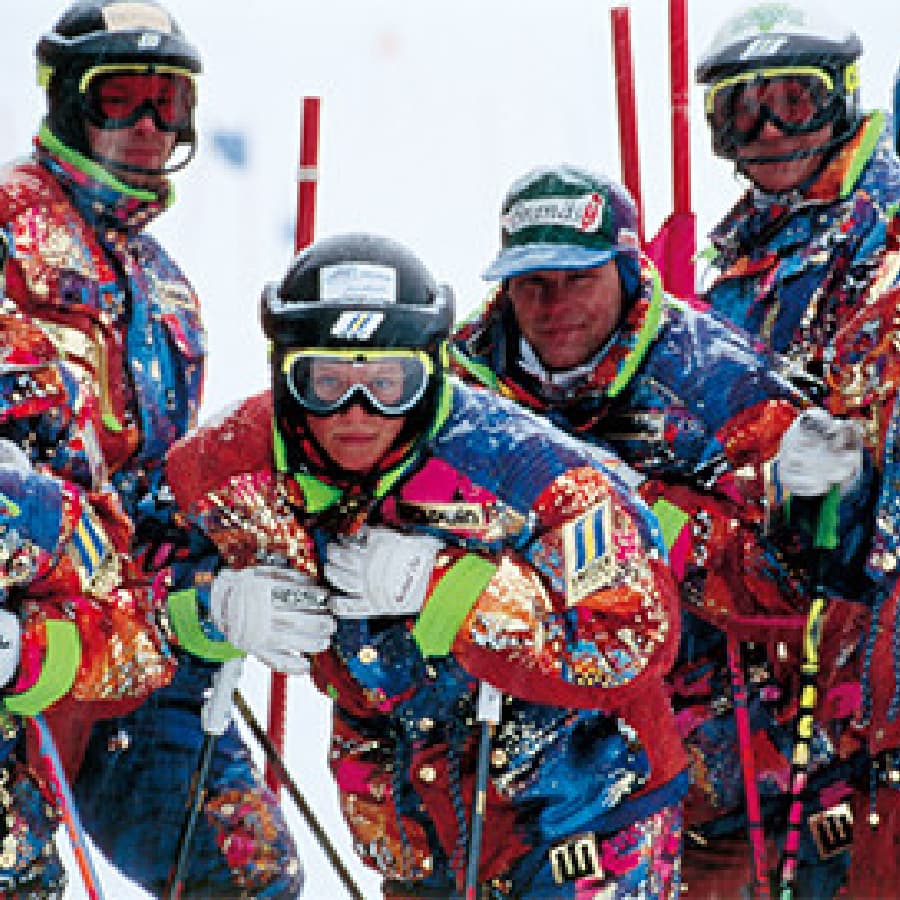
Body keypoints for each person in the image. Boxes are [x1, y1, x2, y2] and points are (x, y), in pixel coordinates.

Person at [163, 231, 689, 898]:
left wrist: (453, 591)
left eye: (389, 384)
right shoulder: (227, 465)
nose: (357, 412)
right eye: (326, 382)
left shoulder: (528, 471)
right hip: (409, 821)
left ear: (431, 372)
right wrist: (213, 605)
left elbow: (636, 635)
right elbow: (127, 583)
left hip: (583, 804)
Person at [448, 163, 872, 899]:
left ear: (624, 268)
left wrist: (648, 519)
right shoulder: (458, 383)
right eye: (532, 282)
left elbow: (802, 584)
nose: (554, 306)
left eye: (579, 279)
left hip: (713, 753)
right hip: (510, 748)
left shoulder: (718, 381)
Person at [0, 0, 301, 895]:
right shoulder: (10, 229)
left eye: (168, 103)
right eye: (119, 96)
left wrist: (221, 582)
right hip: (20, 633)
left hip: (119, 639)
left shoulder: (165, 290)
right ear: (65, 99)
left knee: (245, 871)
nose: (146, 125)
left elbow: (146, 497)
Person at [696, 3, 900, 894]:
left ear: (843, 100)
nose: (771, 132)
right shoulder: (745, 253)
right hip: (775, 623)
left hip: (864, 610)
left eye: (795, 101)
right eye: (743, 111)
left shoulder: (882, 228)